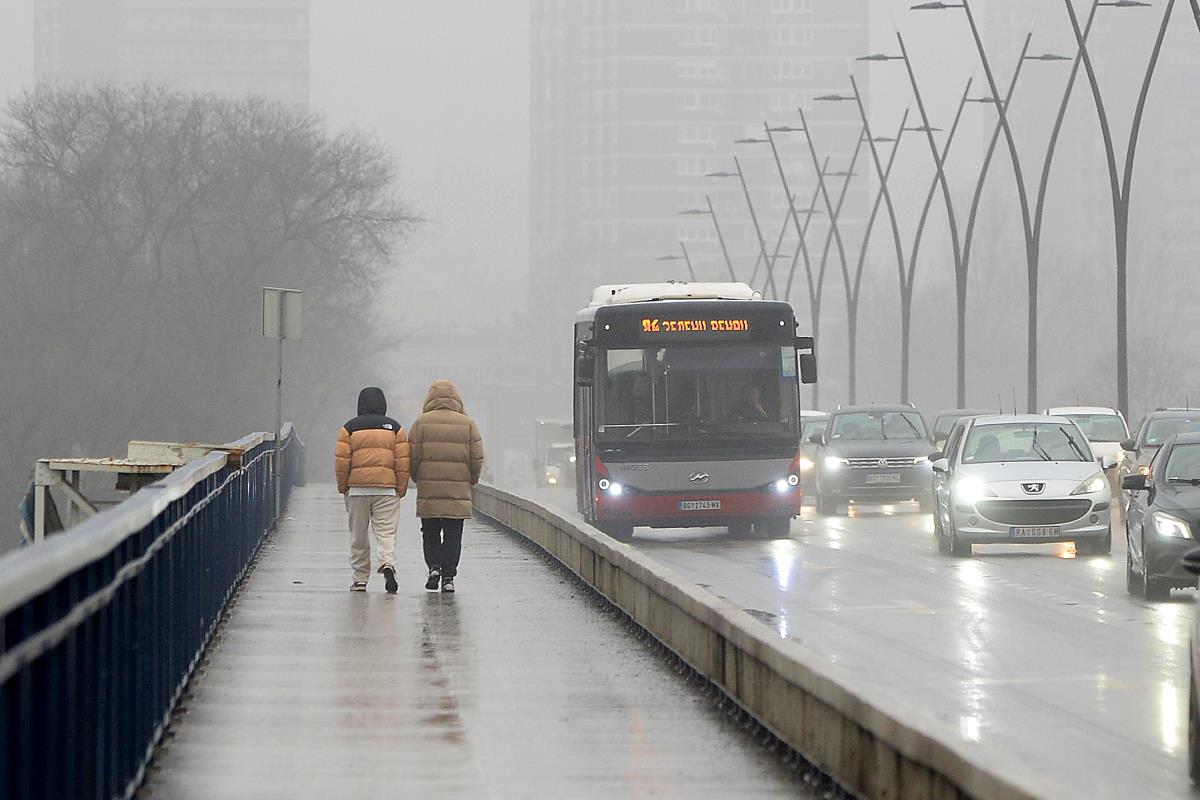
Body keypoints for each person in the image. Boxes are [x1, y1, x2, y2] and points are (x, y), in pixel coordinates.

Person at [409, 380, 484, 593]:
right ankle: (449, 576)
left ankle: (433, 566)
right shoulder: (468, 424)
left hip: (429, 488)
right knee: (453, 533)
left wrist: (417, 477)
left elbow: (412, 456)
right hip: (458, 490)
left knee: (430, 531)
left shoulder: (421, 424)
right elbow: (477, 457)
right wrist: (472, 478)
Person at [334, 387, 410, 593]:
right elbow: (402, 462)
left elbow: (342, 462)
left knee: (358, 535)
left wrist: (343, 486)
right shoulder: (395, 428)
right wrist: (401, 488)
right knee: (386, 532)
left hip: (357, 488)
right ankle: (387, 563)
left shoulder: (349, 428)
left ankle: (360, 579)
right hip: (386, 489)